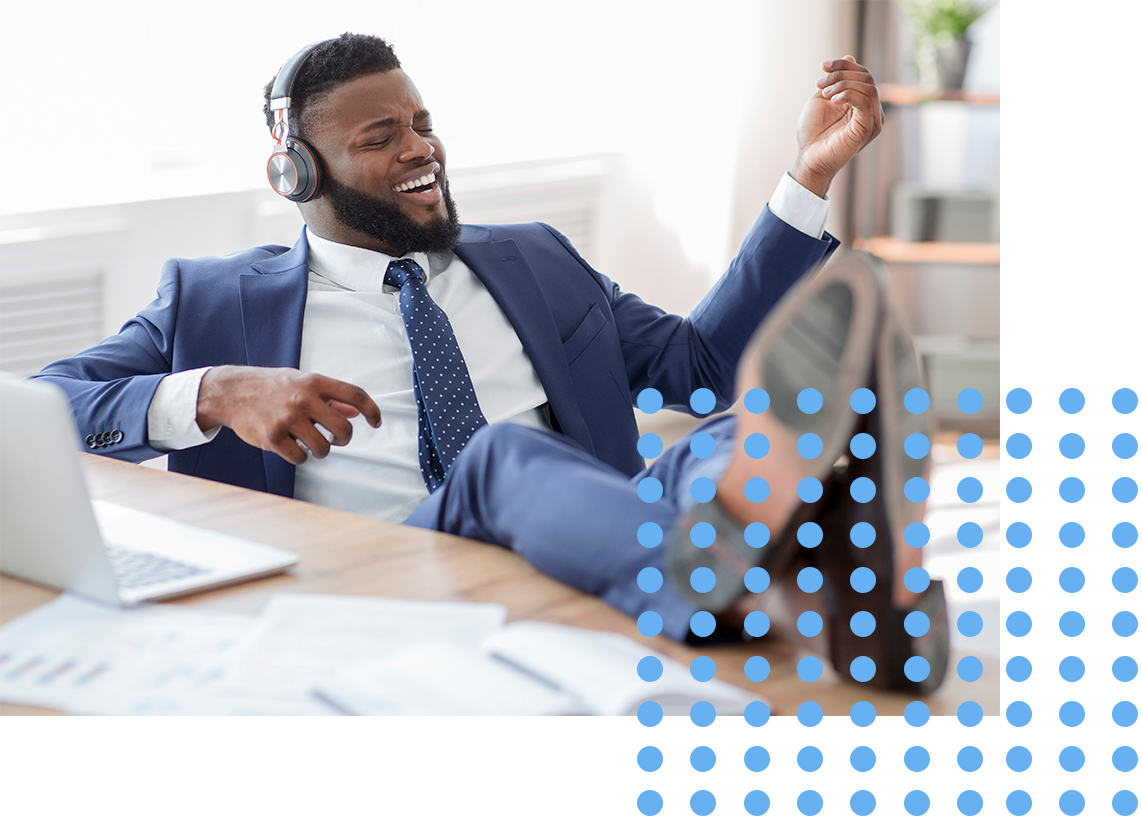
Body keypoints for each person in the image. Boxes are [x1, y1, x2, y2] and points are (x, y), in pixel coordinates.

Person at [35, 33, 946, 691]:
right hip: (397, 567)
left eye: (422, 123)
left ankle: (857, 607)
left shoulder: (534, 258)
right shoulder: (211, 300)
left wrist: (809, 178)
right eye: (379, 136)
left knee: (731, 427)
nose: (420, 148)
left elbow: (698, 364)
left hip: (589, 536)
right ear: (298, 175)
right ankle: (751, 576)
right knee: (502, 459)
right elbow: (47, 404)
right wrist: (213, 391)